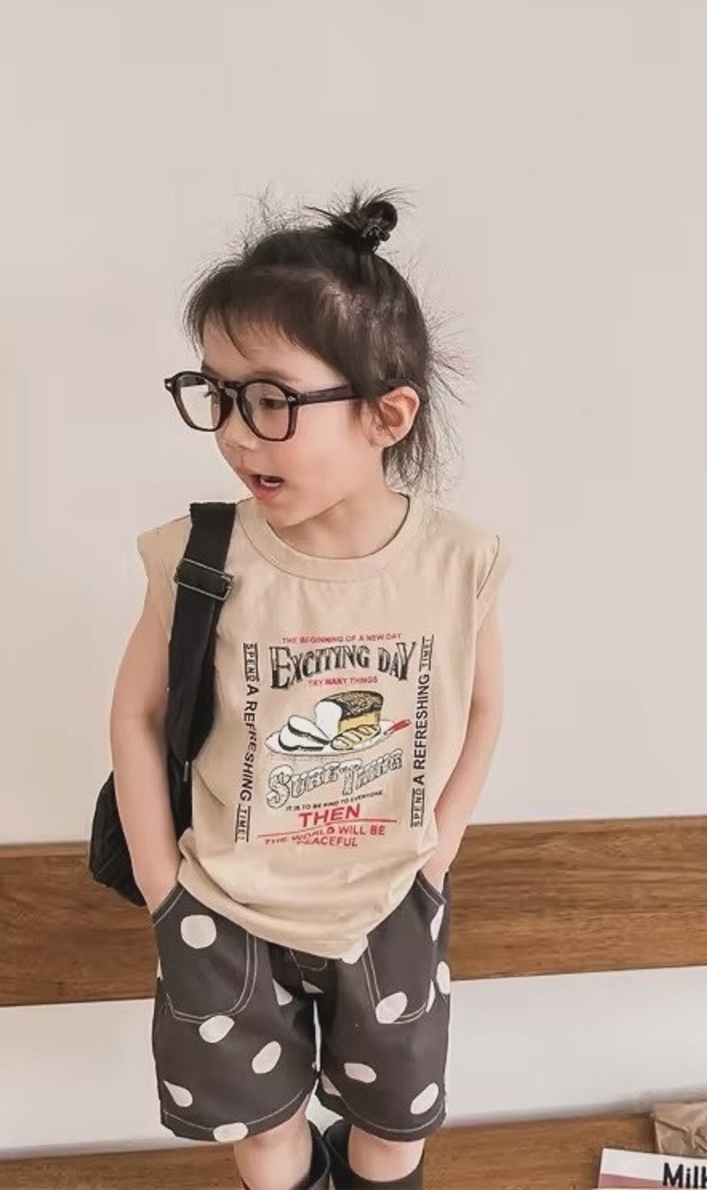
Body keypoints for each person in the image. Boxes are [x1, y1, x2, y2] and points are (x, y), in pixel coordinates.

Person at [108, 190, 509, 1190]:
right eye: (218, 395)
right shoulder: (199, 555)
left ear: (387, 414)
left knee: (394, 1128)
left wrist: (438, 850)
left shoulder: (456, 561)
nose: (238, 434)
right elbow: (137, 712)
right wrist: (164, 884)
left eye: (271, 400)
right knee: (264, 1134)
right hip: (224, 906)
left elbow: (484, 706)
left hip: (391, 900)